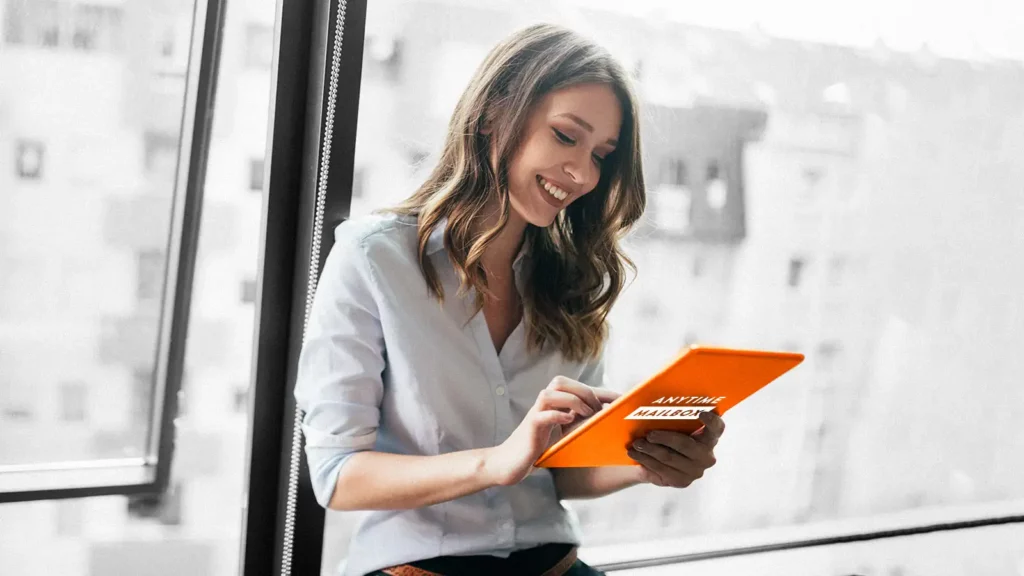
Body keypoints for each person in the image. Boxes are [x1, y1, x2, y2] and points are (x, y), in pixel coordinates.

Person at [294, 23, 726, 576]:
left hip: (557, 565)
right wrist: (495, 464)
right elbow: (338, 475)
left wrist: (646, 463)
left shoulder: (573, 280)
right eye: (567, 136)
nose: (583, 173)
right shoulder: (374, 259)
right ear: (496, 113)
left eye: (602, 154)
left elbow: (559, 472)